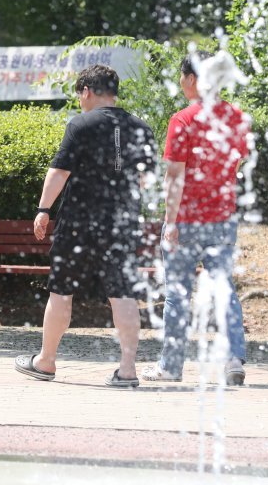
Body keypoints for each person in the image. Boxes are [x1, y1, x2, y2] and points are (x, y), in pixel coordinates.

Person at [13, 64, 157, 388]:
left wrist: (42, 209)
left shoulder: (80, 124)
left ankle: (46, 362)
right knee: (122, 295)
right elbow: (146, 181)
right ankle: (128, 369)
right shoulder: (141, 128)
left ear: (87, 91)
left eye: (80, 94)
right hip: (121, 223)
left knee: (61, 291)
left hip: (78, 222)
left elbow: (59, 172)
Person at [143, 55, 250, 386]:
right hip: (223, 218)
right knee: (224, 287)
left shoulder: (183, 120)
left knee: (177, 292)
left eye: (181, 76)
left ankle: (171, 367)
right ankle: (234, 358)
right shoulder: (235, 116)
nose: (180, 82)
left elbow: (175, 174)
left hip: (187, 218)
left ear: (191, 79)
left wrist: (170, 221)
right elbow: (239, 159)